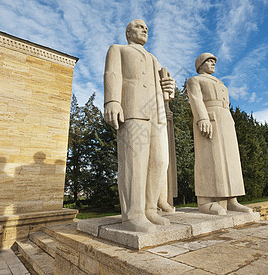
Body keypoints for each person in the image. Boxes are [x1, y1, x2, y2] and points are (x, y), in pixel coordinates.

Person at [104, 19, 175, 232]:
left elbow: (162, 90)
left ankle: (150, 209)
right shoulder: (118, 50)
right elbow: (112, 74)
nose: (144, 29)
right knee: (134, 161)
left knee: (159, 161)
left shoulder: (154, 58)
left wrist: (169, 90)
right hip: (133, 108)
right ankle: (133, 214)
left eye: (146, 28)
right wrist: (112, 101)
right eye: (138, 26)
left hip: (156, 113)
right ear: (128, 32)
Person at [187, 53, 253, 215]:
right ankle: (205, 201)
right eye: (209, 61)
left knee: (230, 161)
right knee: (210, 158)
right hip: (210, 118)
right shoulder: (195, 80)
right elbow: (196, 99)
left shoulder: (221, 83)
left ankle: (231, 200)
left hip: (225, 120)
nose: (212, 63)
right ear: (200, 64)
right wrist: (202, 118)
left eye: (214, 61)